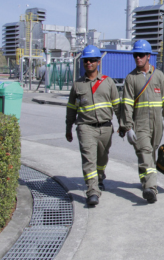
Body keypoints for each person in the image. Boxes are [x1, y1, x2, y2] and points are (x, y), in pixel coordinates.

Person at [119, 40, 164, 204]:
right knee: (145, 152)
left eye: (141, 55)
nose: (137, 58)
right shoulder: (131, 78)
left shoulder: (158, 76)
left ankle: (147, 184)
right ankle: (151, 188)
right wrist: (128, 127)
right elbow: (127, 104)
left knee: (151, 154)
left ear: (148, 56)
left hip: (157, 124)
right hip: (140, 123)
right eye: (135, 55)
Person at [66, 45, 120, 206]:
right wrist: (68, 128)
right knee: (89, 159)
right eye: (85, 60)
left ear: (98, 61)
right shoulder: (77, 85)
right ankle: (92, 191)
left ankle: (100, 176)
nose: (88, 63)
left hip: (105, 128)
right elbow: (71, 109)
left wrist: (124, 125)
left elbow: (117, 106)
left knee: (102, 159)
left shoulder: (108, 82)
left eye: (92, 60)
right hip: (85, 127)